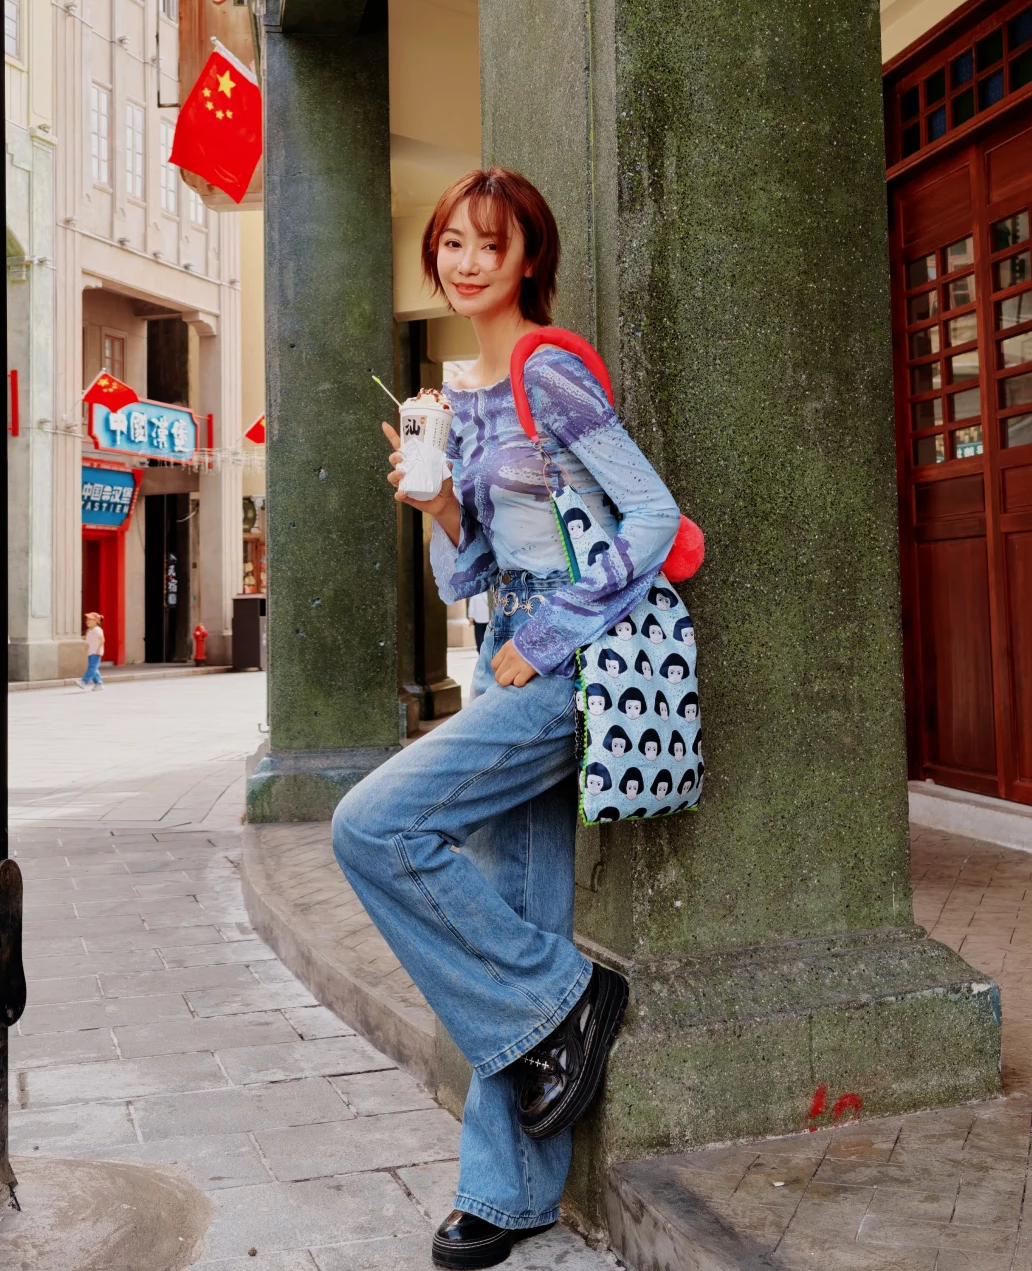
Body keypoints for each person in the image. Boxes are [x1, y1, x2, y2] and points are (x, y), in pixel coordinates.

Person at [330, 167, 680, 1270]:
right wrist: (439, 505)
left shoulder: (548, 372)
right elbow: (468, 576)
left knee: (371, 826)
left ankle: (571, 1001)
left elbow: (652, 516)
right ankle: (510, 1189)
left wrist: (551, 635)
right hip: (500, 656)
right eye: (453, 243)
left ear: (530, 258)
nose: (469, 261)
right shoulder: (456, 395)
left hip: (564, 664)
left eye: (492, 243)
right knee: (516, 912)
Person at [76, 612, 105, 691]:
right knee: (94, 668)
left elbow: (102, 640)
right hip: (91, 651)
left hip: (96, 652)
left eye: (90, 619)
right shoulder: (89, 630)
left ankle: (84, 681)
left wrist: (98, 649)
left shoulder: (97, 630)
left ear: (96, 621)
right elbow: (88, 641)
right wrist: (86, 648)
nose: (88, 621)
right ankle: (99, 684)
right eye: (87, 619)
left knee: (92, 667)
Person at [467, 588, 492, 654]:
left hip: (479, 619)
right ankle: (485, 651)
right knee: (486, 636)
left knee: (479, 636)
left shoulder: (475, 594)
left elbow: (472, 607)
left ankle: (480, 650)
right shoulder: (489, 594)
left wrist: (471, 617)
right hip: (486, 618)